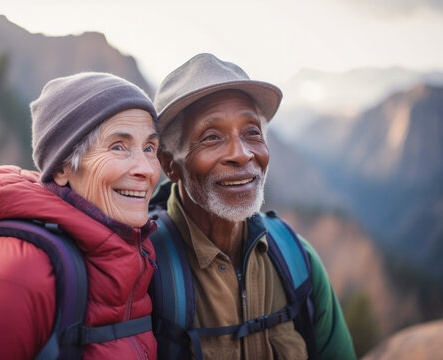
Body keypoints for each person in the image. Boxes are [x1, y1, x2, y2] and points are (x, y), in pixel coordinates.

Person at [0, 72, 161, 359]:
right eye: (118, 146)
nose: (146, 169)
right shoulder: (13, 280)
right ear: (62, 169)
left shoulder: (135, 265)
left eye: (149, 148)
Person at [149, 53, 356, 359]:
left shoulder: (297, 261)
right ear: (170, 165)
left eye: (252, 132)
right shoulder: (144, 268)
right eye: (211, 137)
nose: (242, 153)